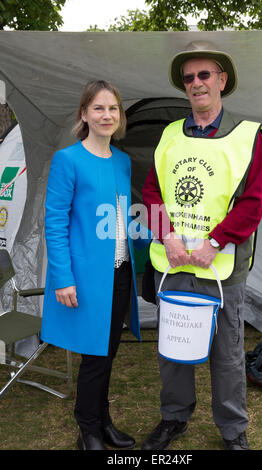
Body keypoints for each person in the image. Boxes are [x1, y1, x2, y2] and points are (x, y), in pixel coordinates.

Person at [141, 41, 262, 451]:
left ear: (222, 80)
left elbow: (252, 204)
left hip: (220, 267)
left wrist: (215, 243)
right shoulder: (169, 136)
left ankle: (233, 430)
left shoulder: (249, 136)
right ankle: (174, 417)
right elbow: (151, 193)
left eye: (204, 75)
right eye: (188, 78)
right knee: (173, 347)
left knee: (227, 352)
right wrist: (167, 235)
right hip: (173, 263)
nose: (196, 83)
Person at [41, 80, 143, 450]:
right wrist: (63, 278)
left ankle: (103, 421)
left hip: (119, 273)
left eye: (113, 108)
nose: (106, 115)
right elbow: (55, 222)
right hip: (84, 280)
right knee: (94, 356)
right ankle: (89, 430)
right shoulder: (68, 160)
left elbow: (118, 216)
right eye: (98, 108)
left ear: (120, 116)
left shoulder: (122, 161)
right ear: (84, 114)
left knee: (108, 352)